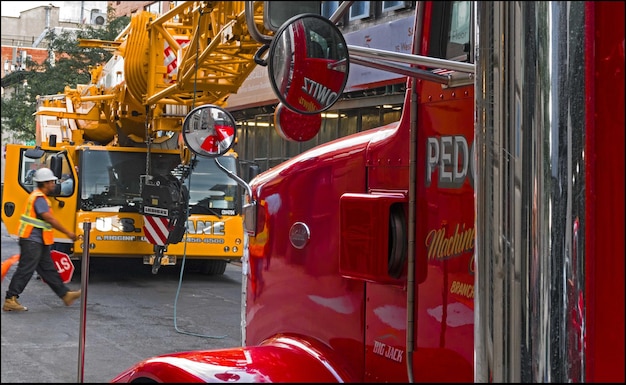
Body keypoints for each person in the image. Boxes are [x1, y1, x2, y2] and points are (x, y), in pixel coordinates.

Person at [3, 167, 81, 312]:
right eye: (52, 182)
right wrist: (68, 233)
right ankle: (10, 298)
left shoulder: (40, 197)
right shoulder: (39, 198)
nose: (54, 184)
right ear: (45, 183)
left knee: (48, 269)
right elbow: (49, 218)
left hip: (38, 240)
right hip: (32, 240)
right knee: (26, 269)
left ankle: (65, 295)